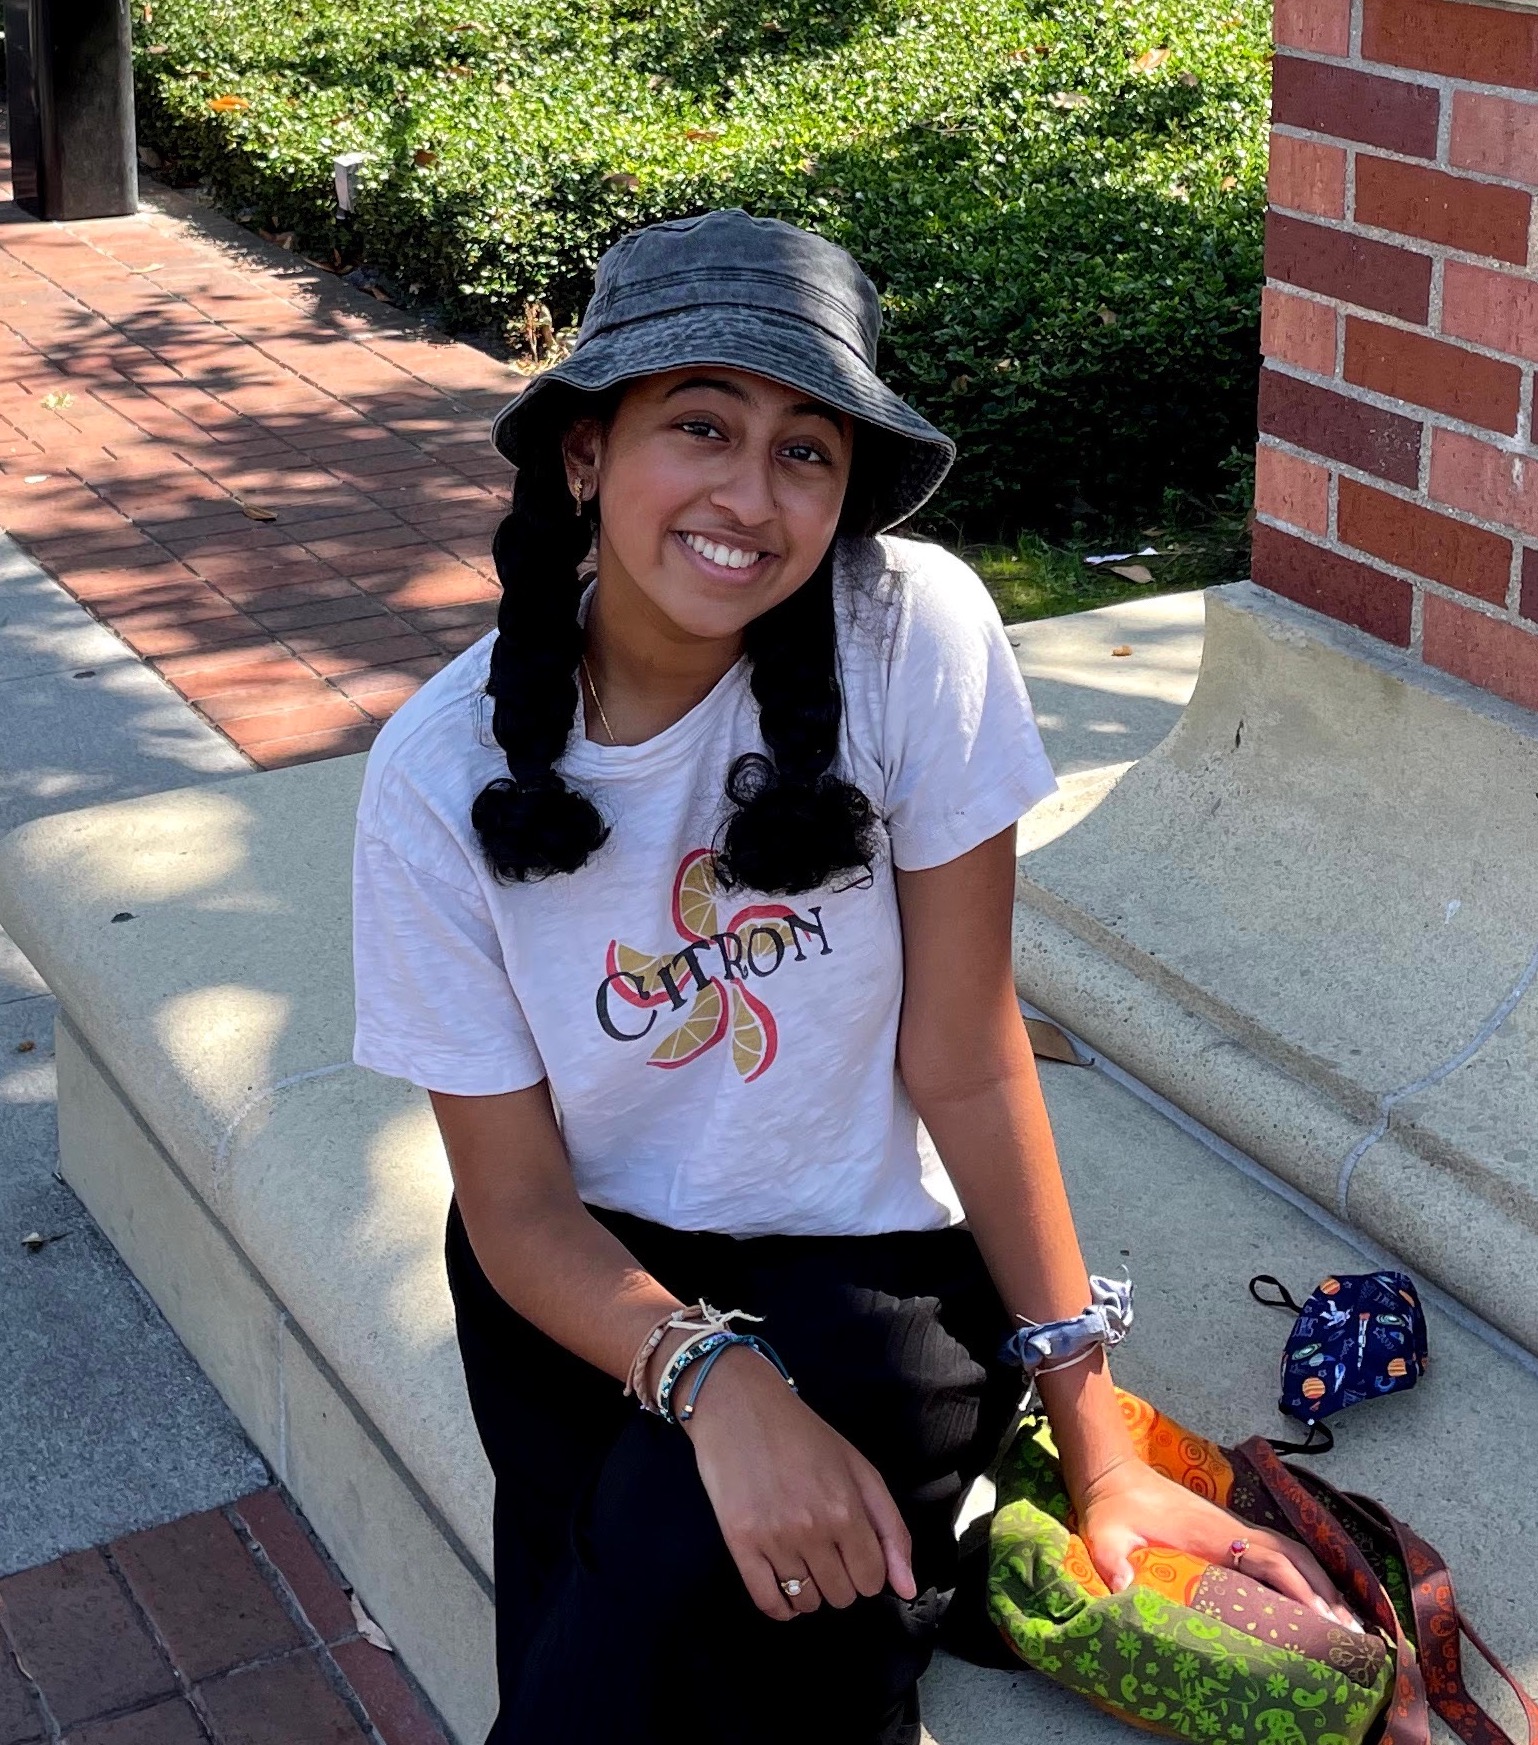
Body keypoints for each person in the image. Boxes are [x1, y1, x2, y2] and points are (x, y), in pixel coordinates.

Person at [350, 209, 1353, 1744]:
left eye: (805, 451)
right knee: (622, 1603)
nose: (750, 498)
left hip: (866, 1266)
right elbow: (514, 1204)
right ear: (581, 456)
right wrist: (710, 1378)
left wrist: (1095, 1435)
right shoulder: (436, 776)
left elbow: (964, 1053)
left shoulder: (913, 635)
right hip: (593, 1280)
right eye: (700, 426)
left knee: (651, 1620)